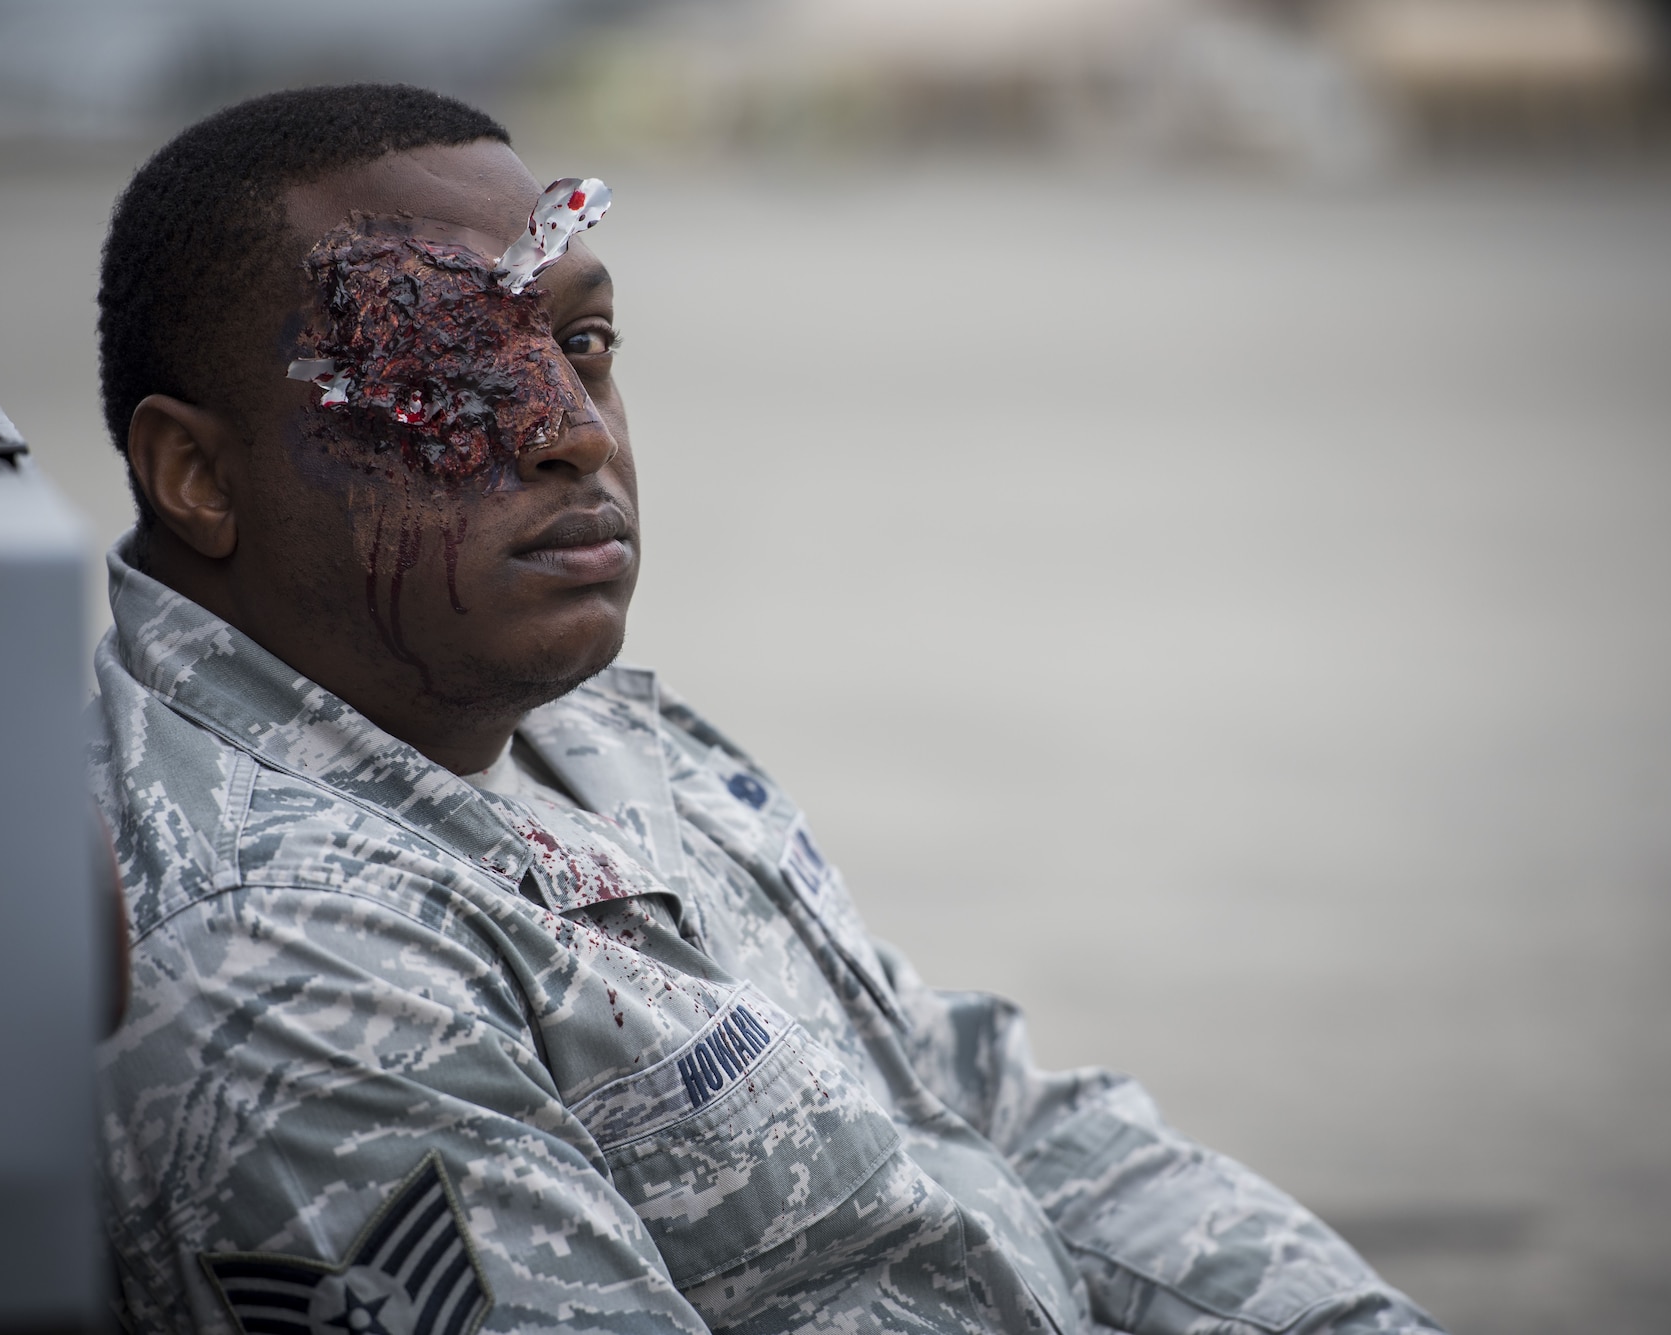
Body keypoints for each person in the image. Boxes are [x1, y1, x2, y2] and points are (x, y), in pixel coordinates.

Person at [91, 84, 1443, 1335]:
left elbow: (981, 1109)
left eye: (585, 343)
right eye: (448, 366)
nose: (574, 427)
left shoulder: (583, 733)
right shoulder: (300, 959)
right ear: (199, 476)